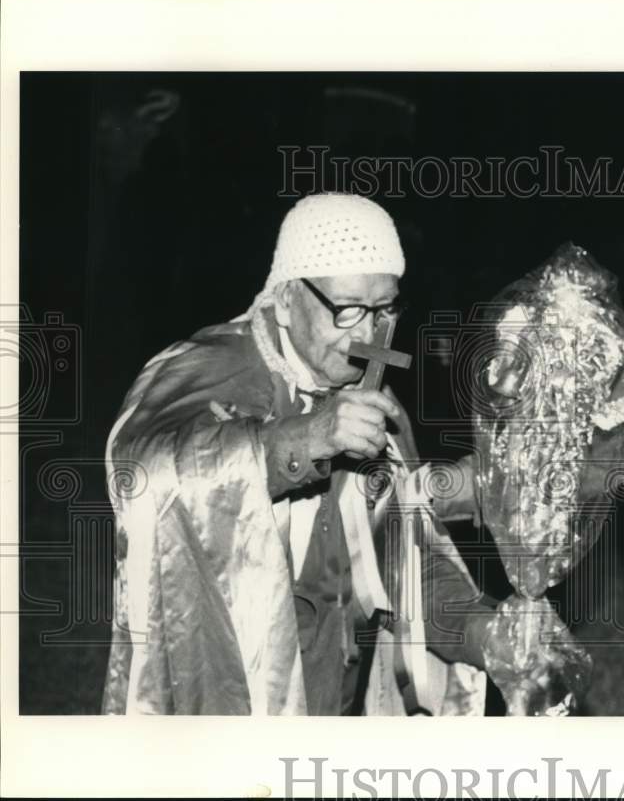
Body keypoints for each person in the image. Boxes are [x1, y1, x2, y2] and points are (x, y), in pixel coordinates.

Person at [101, 193, 562, 715]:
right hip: (224, 711)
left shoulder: (369, 396)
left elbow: (403, 569)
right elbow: (141, 476)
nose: (367, 334)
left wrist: (489, 636)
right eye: (347, 309)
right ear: (286, 297)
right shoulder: (209, 365)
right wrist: (303, 440)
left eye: (385, 309)